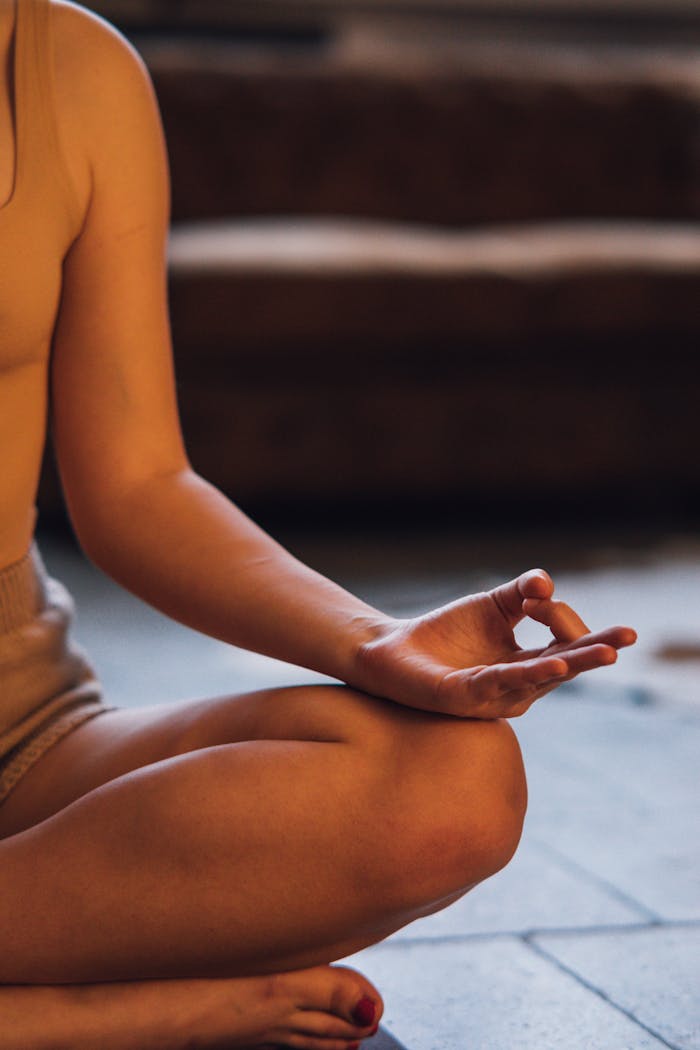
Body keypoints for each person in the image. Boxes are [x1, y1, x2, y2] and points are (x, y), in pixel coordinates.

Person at [0, 1, 637, 1046]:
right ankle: (76, 1011)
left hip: (24, 742)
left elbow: (139, 484)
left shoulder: (71, 66)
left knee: (451, 787)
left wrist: (377, 643)